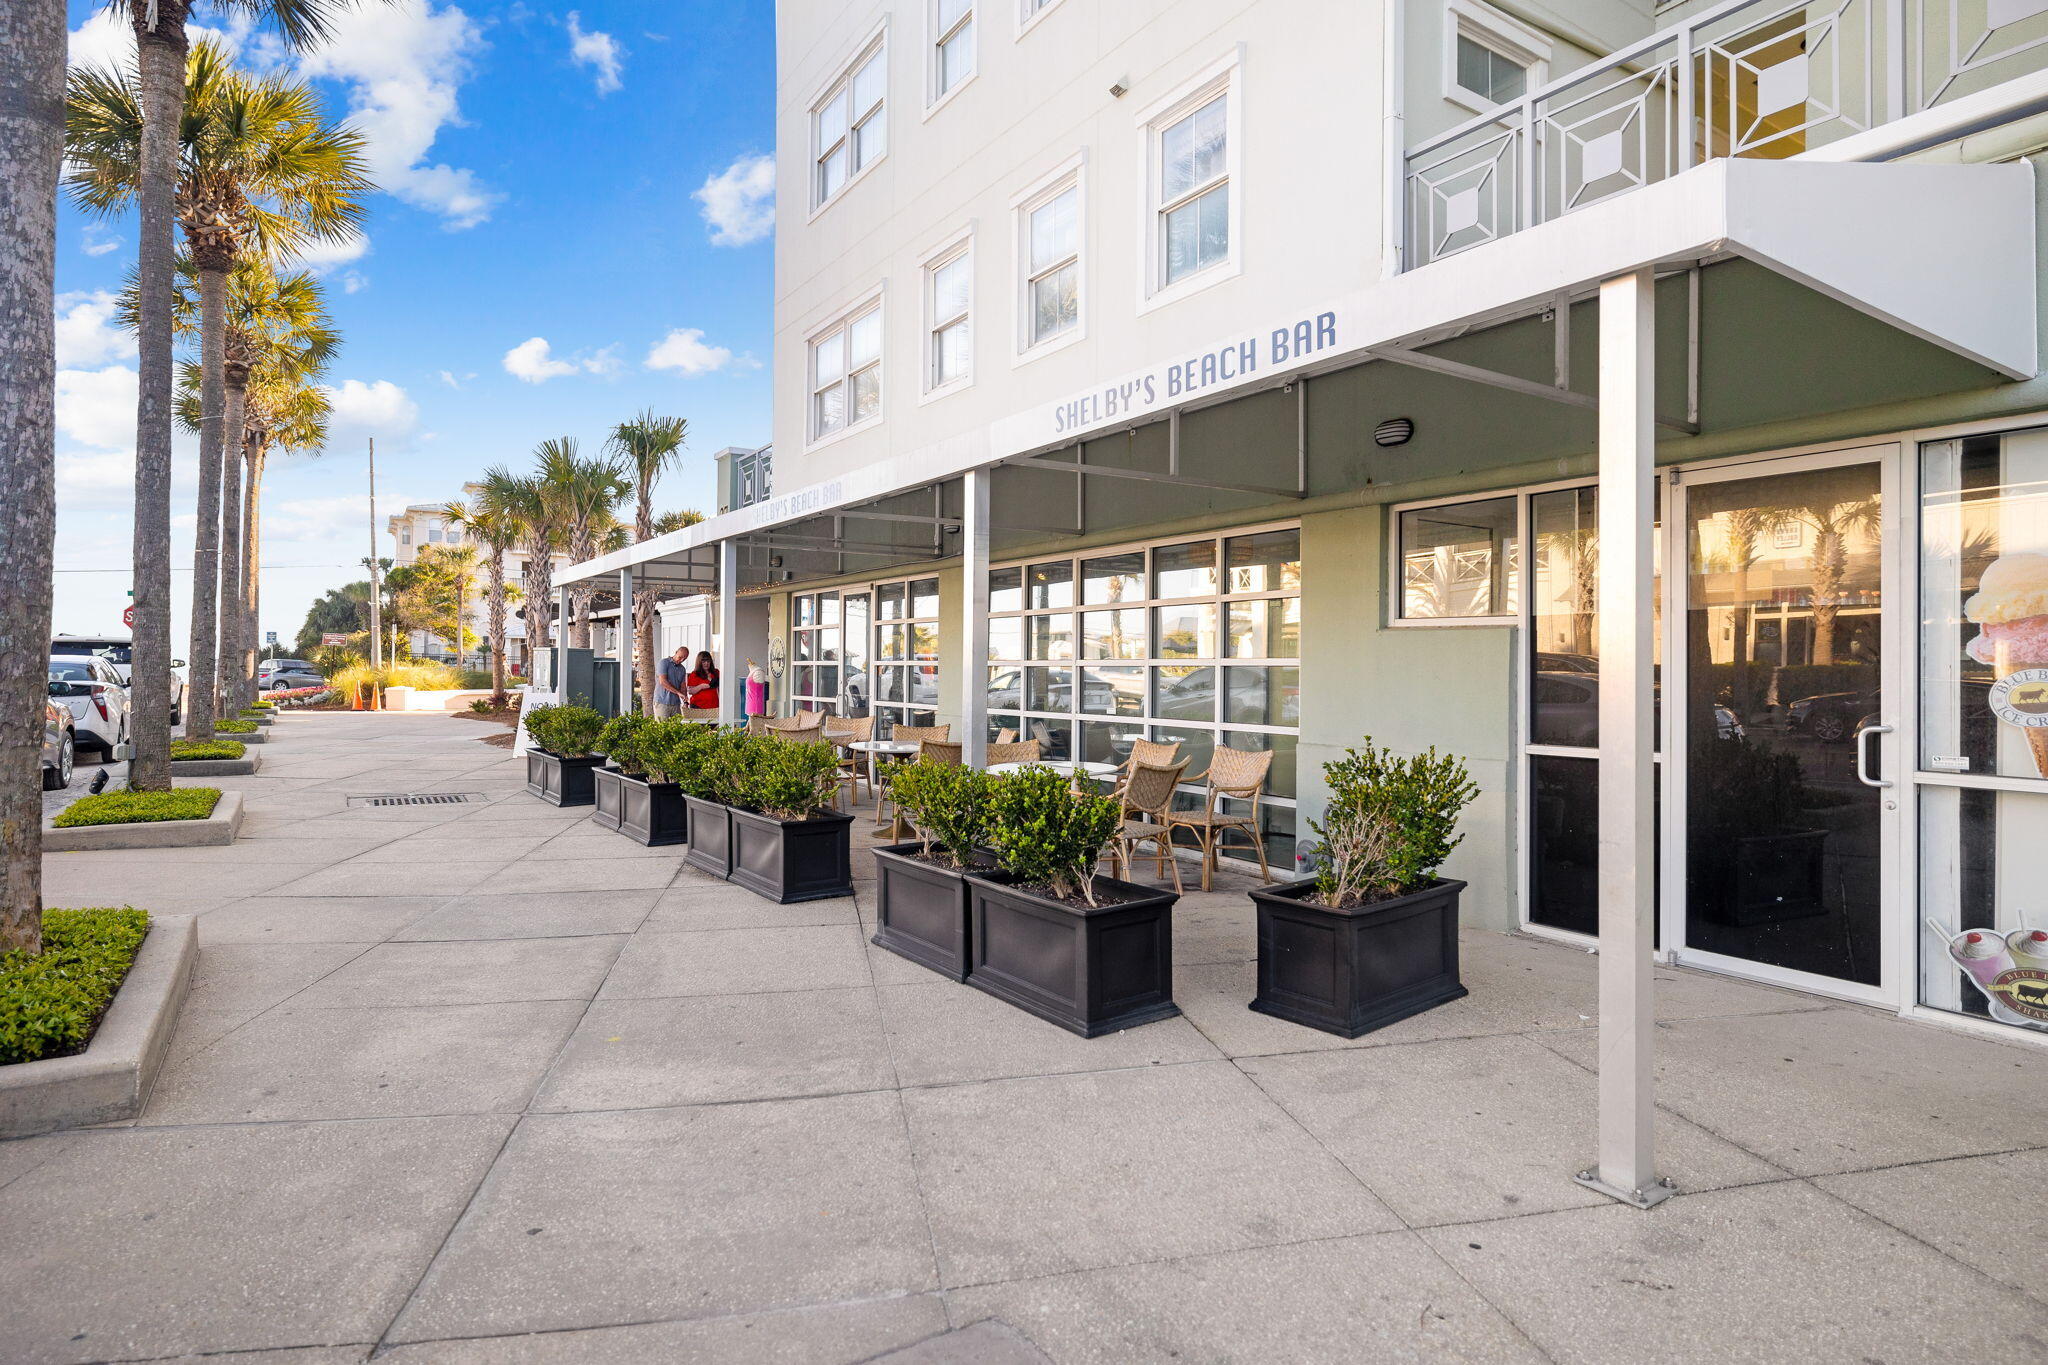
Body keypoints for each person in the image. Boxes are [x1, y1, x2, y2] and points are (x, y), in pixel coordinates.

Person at [655, 646, 689, 718]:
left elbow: (683, 686)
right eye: (680, 657)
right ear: (676, 652)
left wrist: (685, 702)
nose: (681, 660)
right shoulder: (664, 663)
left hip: (676, 704)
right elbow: (663, 682)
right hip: (662, 702)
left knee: (677, 727)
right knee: (662, 727)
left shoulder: (682, 669)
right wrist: (678, 693)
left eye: (684, 659)